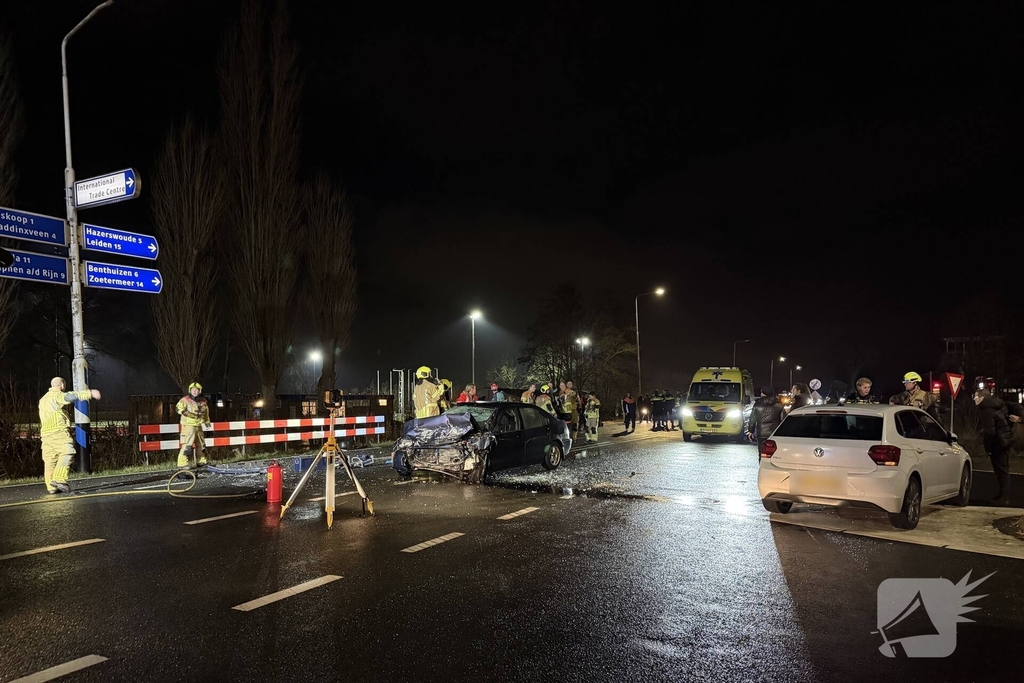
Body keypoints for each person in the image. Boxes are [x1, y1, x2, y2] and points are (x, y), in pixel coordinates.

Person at [38, 377, 101, 493]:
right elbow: (69, 396)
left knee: (50, 460)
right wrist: (89, 393)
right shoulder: (56, 395)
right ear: (61, 385)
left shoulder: (43, 399)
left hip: (45, 435)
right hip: (58, 432)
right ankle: (59, 479)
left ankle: (51, 487)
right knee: (68, 452)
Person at [973, 389, 1024, 504]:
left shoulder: (986, 409)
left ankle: (1004, 498)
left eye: (976, 397)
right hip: (1005, 440)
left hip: (998, 443)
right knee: (1003, 470)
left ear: (981, 398)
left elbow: (990, 432)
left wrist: (988, 448)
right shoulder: (996, 403)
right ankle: (1002, 496)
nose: (974, 399)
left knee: (1002, 471)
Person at [176, 381, 211, 468]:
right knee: (187, 445)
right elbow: (178, 408)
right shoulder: (185, 400)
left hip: (198, 426)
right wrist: (184, 411)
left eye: (197, 390)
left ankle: (201, 462)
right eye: (193, 390)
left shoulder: (203, 402)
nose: (195, 391)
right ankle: (182, 463)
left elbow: (206, 413)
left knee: (201, 445)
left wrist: (207, 422)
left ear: (200, 391)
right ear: (190, 390)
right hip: (188, 426)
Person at [747, 386, 785, 454]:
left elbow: (753, 418)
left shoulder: (757, 404)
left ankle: (762, 463)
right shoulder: (779, 404)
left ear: (763, 393)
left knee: (762, 453)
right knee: (774, 453)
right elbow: (782, 420)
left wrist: (751, 431)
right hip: (774, 433)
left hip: (762, 433)